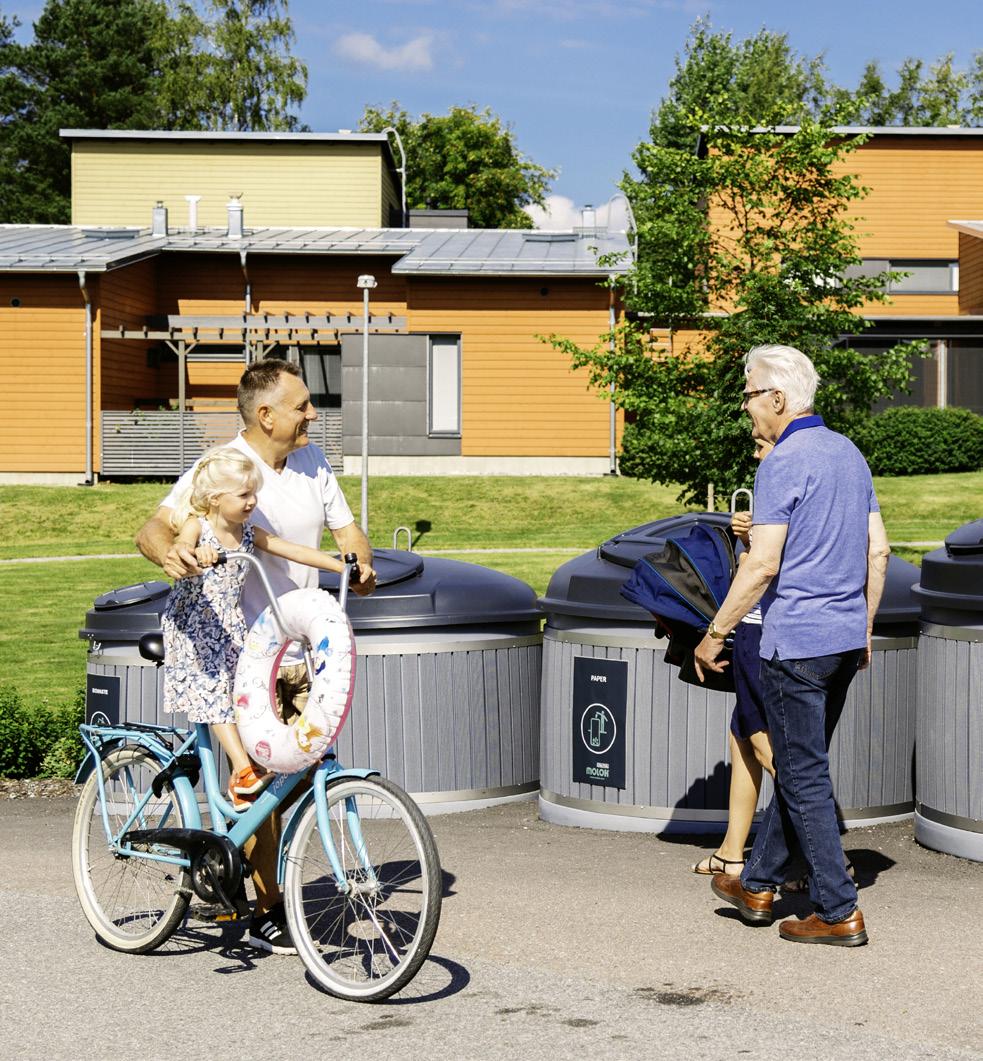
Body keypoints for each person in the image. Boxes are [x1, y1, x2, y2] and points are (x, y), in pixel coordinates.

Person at [137, 358, 376, 955]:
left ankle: (266, 886)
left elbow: (346, 534)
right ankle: (264, 903)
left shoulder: (314, 462)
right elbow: (156, 529)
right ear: (265, 415)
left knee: (303, 765)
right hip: (244, 650)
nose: (313, 415)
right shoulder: (222, 468)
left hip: (302, 645)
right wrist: (173, 556)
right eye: (302, 406)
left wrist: (359, 562)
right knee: (265, 774)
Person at [693, 343, 890, 947]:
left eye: (750, 395)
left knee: (802, 776)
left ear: (778, 398)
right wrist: (864, 629)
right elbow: (877, 552)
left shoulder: (781, 462)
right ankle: (757, 883)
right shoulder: (849, 454)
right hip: (841, 644)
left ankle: (837, 911)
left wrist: (715, 633)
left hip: (796, 645)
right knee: (802, 767)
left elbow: (760, 565)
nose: (747, 408)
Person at [162, 445, 350, 809]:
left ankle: (257, 762)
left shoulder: (248, 532)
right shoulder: (197, 525)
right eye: (244, 494)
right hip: (194, 627)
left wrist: (339, 566)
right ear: (215, 499)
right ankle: (242, 770)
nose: (252, 501)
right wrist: (194, 552)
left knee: (246, 691)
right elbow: (183, 542)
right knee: (216, 693)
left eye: (254, 493)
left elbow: (286, 547)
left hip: (230, 626)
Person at [692, 439, 775, 877]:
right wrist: (745, 537)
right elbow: (752, 560)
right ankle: (732, 849)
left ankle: (818, 859)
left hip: (761, 629)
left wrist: (715, 633)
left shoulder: (784, 476)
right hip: (756, 627)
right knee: (742, 735)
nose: (756, 454)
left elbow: (768, 567)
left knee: (767, 745)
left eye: (762, 444)